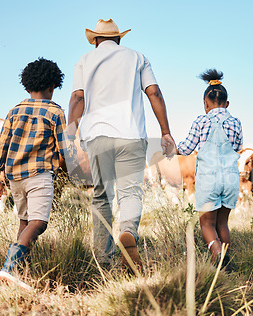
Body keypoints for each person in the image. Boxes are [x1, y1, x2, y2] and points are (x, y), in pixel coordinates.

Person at [68, 18, 176, 272]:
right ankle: (128, 231)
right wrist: (166, 132)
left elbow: (77, 97)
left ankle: (103, 260)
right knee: (131, 193)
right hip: (131, 134)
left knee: (102, 197)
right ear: (118, 38)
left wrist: (70, 134)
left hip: (97, 136)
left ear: (95, 40)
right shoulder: (137, 57)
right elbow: (154, 93)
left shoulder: (85, 59)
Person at [0, 58, 70, 290]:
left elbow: (1, 146)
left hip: (15, 177)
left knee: (24, 222)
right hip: (40, 174)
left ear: (26, 87)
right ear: (53, 87)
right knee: (39, 222)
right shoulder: (55, 112)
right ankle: (10, 267)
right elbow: (65, 149)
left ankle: (18, 274)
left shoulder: (14, 111)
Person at [176, 69, 243, 271]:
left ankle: (217, 254)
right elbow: (239, 147)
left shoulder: (201, 120)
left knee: (207, 224)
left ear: (206, 104)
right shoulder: (236, 122)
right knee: (222, 224)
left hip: (208, 179)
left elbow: (186, 148)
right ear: (227, 104)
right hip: (230, 179)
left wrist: (171, 148)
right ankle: (226, 262)